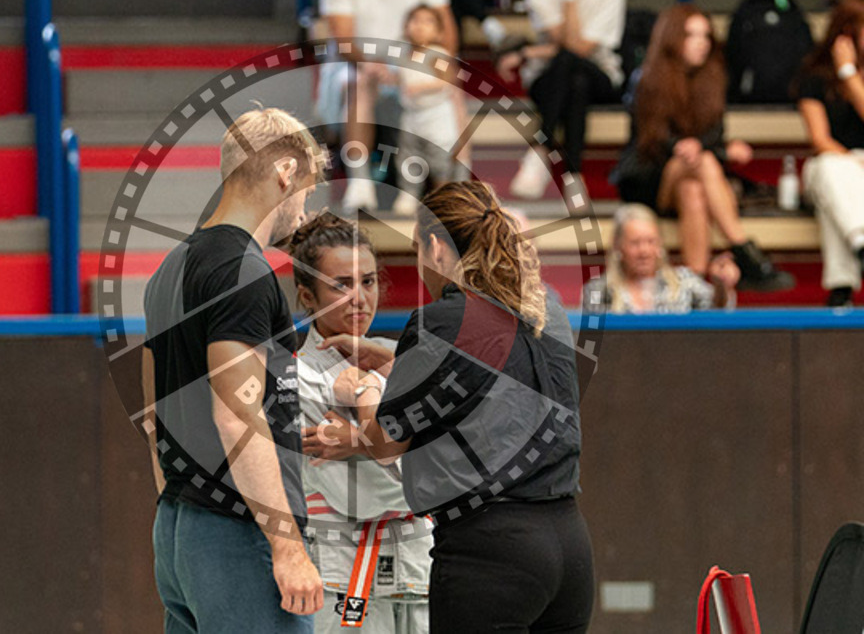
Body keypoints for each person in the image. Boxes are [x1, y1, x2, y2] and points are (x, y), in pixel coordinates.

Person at [322, 181, 594, 633]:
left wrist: (365, 389)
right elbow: (494, 378)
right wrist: (396, 360)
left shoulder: (443, 321)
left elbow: (385, 443)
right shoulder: (547, 305)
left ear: (435, 246)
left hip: (490, 553)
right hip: (568, 544)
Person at [142, 108, 325, 633]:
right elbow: (237, 417)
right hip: (235, 534)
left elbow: (154, 413)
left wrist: (178, 502)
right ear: (285, 172)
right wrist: (287, 548)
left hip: (179, 530)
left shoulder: (169, 269)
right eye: (306, 192)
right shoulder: (244, 271)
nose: (303, 212)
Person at [289, 213, 432, 633]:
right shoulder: (298, 377)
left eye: (367, 281)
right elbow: (366, 495)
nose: (359, 298)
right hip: (342, 579)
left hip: (417, 571)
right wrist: (409, 447)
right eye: (341, 285)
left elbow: (449, 465)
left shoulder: (396, 357)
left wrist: (358, 438)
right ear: (307, 296)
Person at [611, 4, 796, 292]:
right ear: (672, 38)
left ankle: (695, 286)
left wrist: (706, 148)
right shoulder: (646, 80)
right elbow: (652, 141)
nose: (701, 43)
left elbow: (713, 136)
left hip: (691, 179)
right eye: (691, 35)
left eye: (706, 36)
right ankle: (742, 247)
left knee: (693, 192)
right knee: (703, 161)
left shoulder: (713, 79)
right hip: (650, 178)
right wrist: (702, 149)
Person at [318, 0, 458, 213]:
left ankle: (452, 187)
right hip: (354, 64)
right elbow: (344, 39)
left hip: (411, 63)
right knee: (360, 81)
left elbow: (446, 32)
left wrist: (432, 66)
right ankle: (360, 183)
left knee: (453, 86)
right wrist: (371, 64)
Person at [496, 0, 626, 194]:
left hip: (601, 73)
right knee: (576, 82)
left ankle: (540, 150)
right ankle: (573, 175)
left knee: (572, 64)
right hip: (548, 78)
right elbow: (567, 43)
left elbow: (580, 48)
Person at [796, 0, 864, 307]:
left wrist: (849, 74)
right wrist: (853, 164)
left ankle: (841, 289)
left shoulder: (851, 76)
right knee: (829, 168)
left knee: (833, 200)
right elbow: (820, 139)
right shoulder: (814, 77)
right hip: (836, 167)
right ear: (846, 36)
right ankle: (861, 242)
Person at [582, 203, 739, 312]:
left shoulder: (684, 281)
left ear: (659, 245)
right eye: (635, 243)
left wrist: (722, 286)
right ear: (618, 246)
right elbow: (588, 343)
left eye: (651, 242)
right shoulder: (598, 291)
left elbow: (718, 312)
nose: (644, 251)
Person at [394, 4, 470, 216]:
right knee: (408, 156)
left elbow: (447, 81)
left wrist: (422, 87)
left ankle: (442, 198)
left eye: (428, 22)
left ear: (438, 31)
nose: (420, 26)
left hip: (437, 117)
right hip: (411, 116)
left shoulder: (439, 54)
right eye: (416, 21)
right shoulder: (404, 55)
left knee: (439, 162)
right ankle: (409, 193)